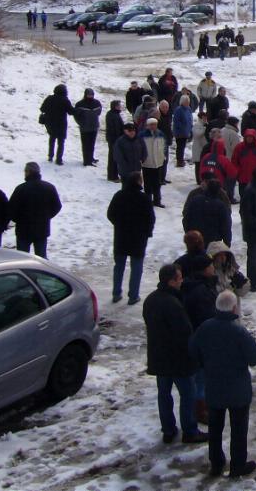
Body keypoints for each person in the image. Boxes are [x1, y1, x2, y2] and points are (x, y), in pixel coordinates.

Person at [189, 290, 256, 478]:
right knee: (239, 429)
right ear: (234, 308)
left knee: (215, 428)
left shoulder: (205, 328)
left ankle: (216, 463)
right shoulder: (238, 331)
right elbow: (255, 357)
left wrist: (206, 363)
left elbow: (192, 351)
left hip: (214, 386)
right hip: (238, 389)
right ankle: (238, 465)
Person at [142, 263, 208, 446]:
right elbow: (185, 333)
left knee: (164, 395)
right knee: (188, 394)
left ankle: (168, 430)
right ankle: (190, 430)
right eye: (179, 278)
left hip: (158, 357)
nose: (182, 281)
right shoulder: (173, 304)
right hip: (178, 359)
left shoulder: (151, 300)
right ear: (171, 281)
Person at [108, 171, 155, 304]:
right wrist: (147, 232)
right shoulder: (144, 198)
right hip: (138, 239)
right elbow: (150, 218)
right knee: (136, 267)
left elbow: (110, 214)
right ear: (139, 182)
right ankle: (133, 296)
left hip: (121, 237)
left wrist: (118, 224)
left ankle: (116, 293)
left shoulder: (119, 196)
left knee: (119, 266)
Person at [8, 161, 62, 258]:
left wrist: (19, 220)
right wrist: (46, 216)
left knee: (21, 258)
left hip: (23, 230)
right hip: (42, 229)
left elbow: (11, 209)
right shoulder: (49, 187)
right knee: (41, 258)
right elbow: (57, 206)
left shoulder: (21, 189)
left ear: (28, 172)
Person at [40, 84, 75, 164]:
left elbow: (42, 108)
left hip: (50, 123)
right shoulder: (65, 100)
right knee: (61, 142)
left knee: (52, 139)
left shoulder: (49, 98)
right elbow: (71, 112)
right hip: (61, 124)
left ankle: (50, 156)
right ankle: (59, 159)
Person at [73, 88, 103, 166]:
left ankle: (91, 158)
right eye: (89, 95)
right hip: (84, 128)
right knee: (86, 144)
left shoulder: (97, 103)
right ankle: (86, 160)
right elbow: (76, 115)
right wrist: (81, 123)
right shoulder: (80, 104)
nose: (90, 96)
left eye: (91, 95)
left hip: (94, 126)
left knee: (92, 144)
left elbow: (99, 112)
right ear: (85, 95)